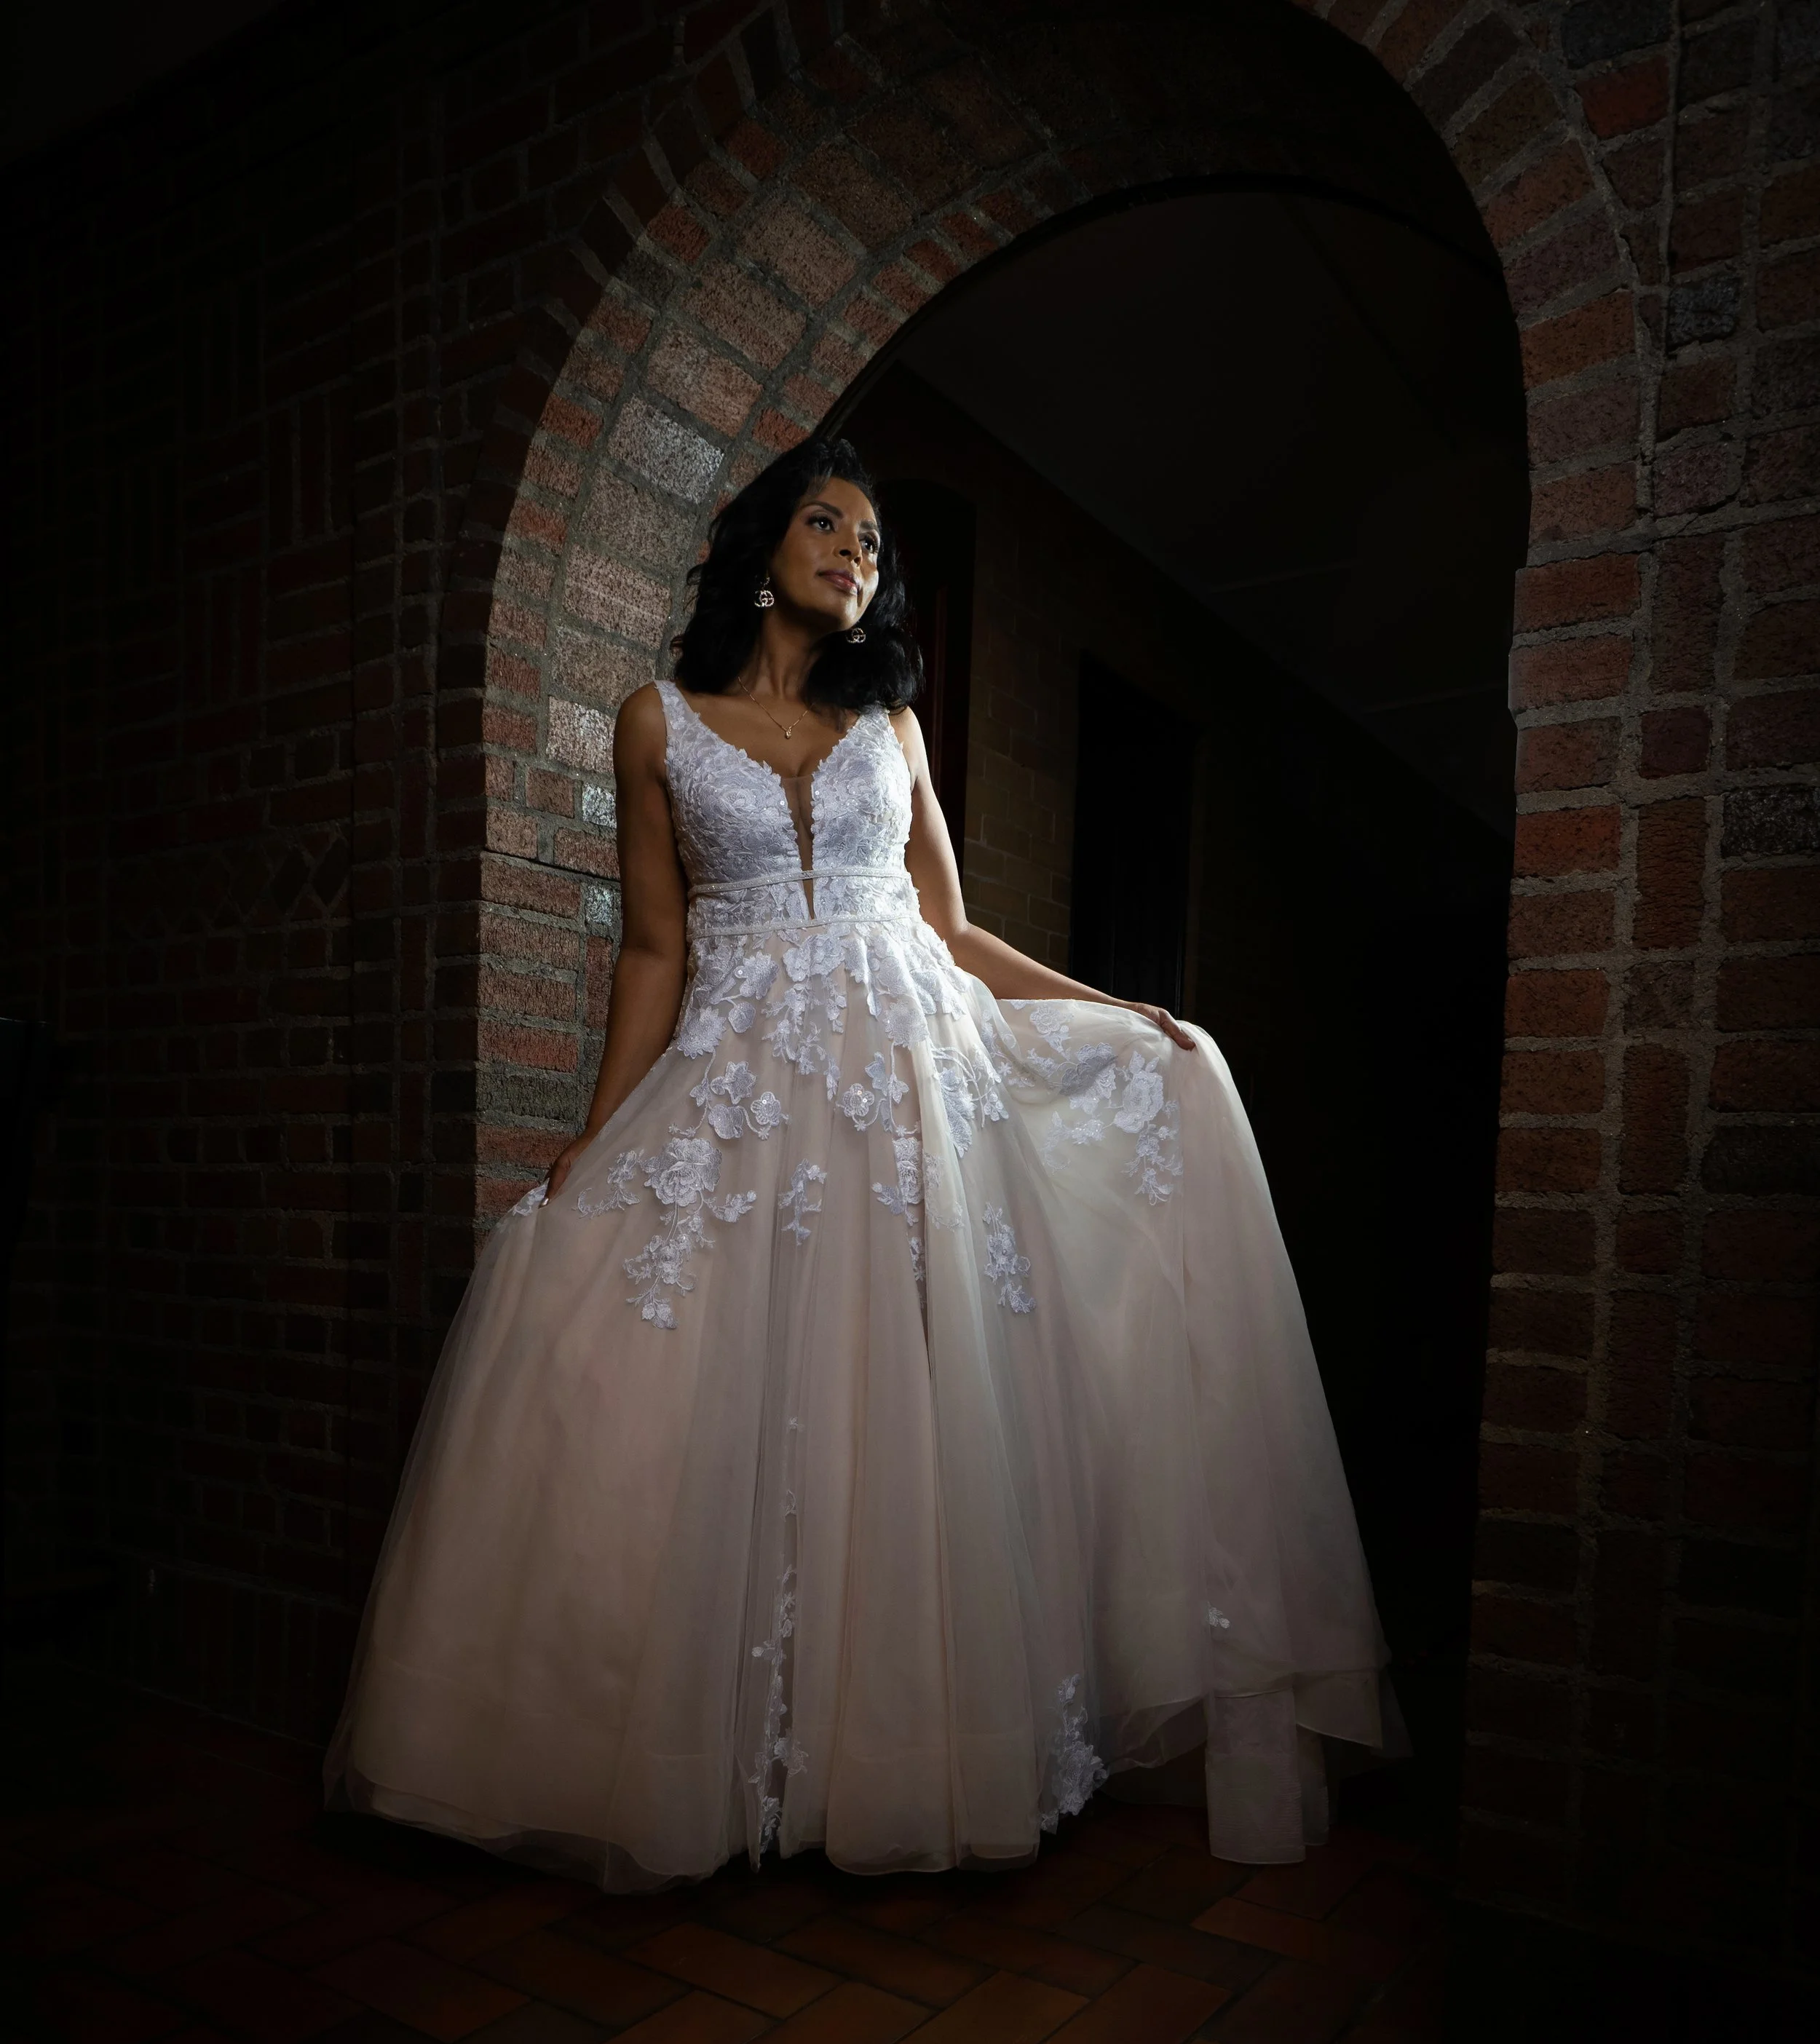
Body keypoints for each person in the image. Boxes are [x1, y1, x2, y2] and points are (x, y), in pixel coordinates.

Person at [323, 436, 1398, 1890]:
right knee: (688, 1386)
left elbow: (948, 930)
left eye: (874, 541)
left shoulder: (891, 726)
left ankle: (893, 1757)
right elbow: (653, 950)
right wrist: (598, 1130)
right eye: (828, 524)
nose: (855, 552)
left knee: (908, 1405)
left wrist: (1112, 1009)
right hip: (741, 1095)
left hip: (910, 1095)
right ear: (761, 545)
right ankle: (720, 1758)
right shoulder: (656, 723)